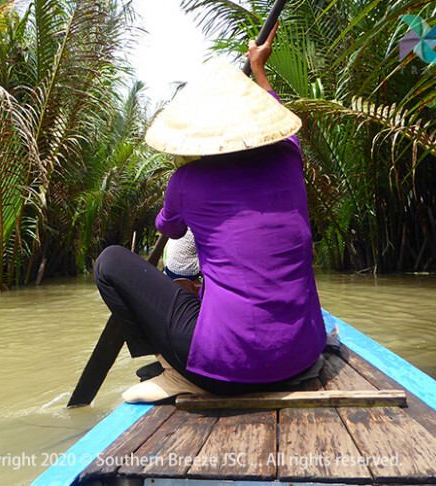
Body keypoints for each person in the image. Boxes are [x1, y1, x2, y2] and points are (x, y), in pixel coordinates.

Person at [94, 24, 326, 403]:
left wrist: (181, 189)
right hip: (302, 356)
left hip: (227, 370)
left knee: (110, 262)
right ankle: (178, 367)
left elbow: (166, 227)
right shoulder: (289, 157)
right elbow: (278, 112)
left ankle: (173, 371)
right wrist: (259, 67)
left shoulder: (187, 181)